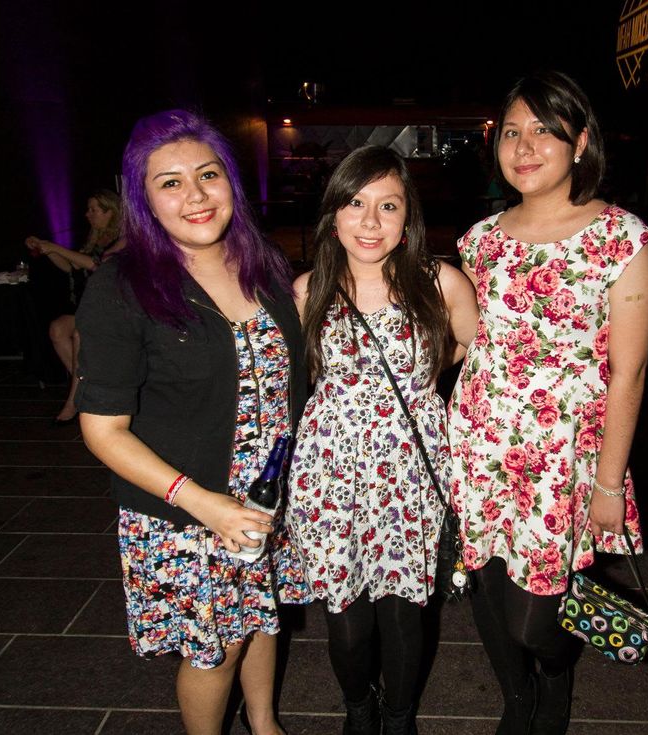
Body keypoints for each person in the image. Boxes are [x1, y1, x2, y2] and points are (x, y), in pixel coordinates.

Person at [74, 109, 307, 735]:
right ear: (143, 199)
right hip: (185, 506)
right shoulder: (123, 285)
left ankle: (265, 725)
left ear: (231, 180)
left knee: (259, 617)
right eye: (170, 182)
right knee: (215, 648)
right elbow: (102, 430)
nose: (196, 195)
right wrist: (204, 504)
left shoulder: (262, 266)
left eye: (208, 175)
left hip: (264, 497)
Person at [447, 71, 648, 735]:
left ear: (581, 140)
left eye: (544, 129)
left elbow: (629, 374)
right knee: (484, 579)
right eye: (512, 131)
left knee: (536, 616)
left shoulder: (620, 239)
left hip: (562, 457)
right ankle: (517, 698)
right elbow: (462, 344)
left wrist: (607, 483)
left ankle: (552, 679)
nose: (525, 144)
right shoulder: (478, 241)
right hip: (478, 444)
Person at [283, 145, 479, 735]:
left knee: (402, 614)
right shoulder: (306, 289)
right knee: (344, 617)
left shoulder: (439, 281)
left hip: (409, 469)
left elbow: (472, 349)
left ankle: (399, 716)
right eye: (355, 203)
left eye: (387, 206)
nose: (370, 222)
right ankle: (358, 708)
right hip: (330, 467)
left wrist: (425, 379)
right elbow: (300, 377)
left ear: (407, 217)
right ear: (333, 215)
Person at [25, 189, 125, 424]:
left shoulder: (123, 239)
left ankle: (73, 401)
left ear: (111, 212)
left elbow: (95, 265)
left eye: (94, 210)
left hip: (115, 309)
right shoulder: (92, 237)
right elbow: (69, 267)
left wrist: (54, 247)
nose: (88, 214)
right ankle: (86, 389)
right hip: (87, 308)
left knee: (81, 332)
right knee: (58, 328)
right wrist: (45, 248)